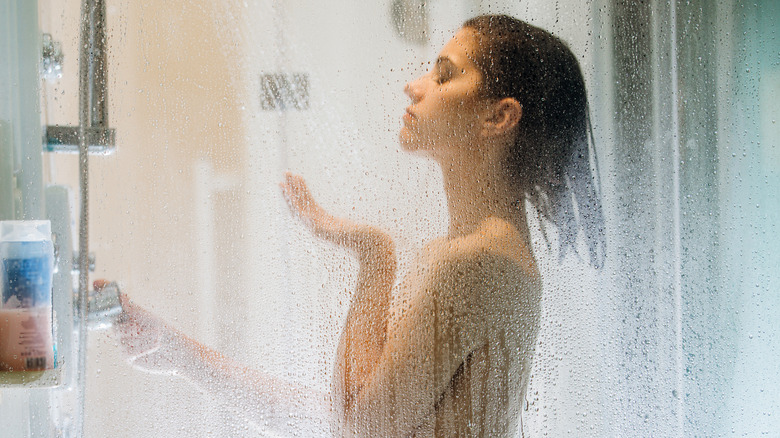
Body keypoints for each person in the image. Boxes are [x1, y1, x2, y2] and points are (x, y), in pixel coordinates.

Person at [116, 14, 605, 437]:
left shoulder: (476, 261)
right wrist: (183, 357)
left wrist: (374, 257)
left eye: (443, 76)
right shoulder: (485, 252)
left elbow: (357, 429)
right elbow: (342, 418)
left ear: (498, 117)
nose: (414, 86)